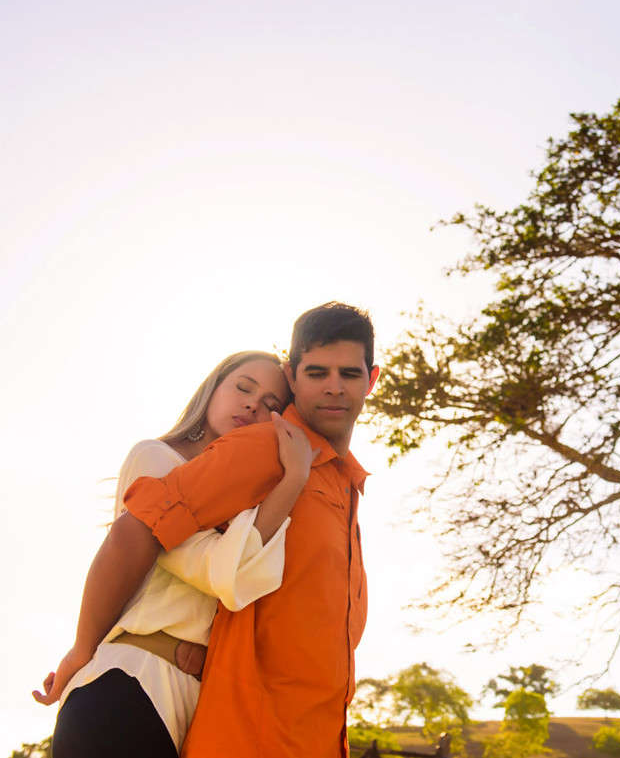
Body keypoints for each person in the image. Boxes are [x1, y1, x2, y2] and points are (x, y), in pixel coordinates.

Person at [43, 302, 379, 758]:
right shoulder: (242, 455)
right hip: (134, 682)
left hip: (191, 708)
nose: (253, 406)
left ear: (370, 379)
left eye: (270, 404)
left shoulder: (330, 481)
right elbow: (158, 542)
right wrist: (81, 651)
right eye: (317, 372)